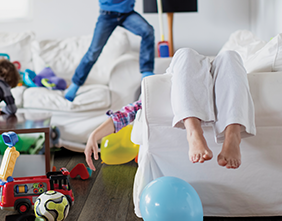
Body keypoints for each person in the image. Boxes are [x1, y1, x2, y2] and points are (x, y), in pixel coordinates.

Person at [84, 47, 256, 171]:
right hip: (186, 72)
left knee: (231, 55)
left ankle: (232, 135)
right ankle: (193, 132)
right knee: (185, 53)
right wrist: (94, 134)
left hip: (225, 71)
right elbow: (131, 110)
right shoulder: (179, 74)